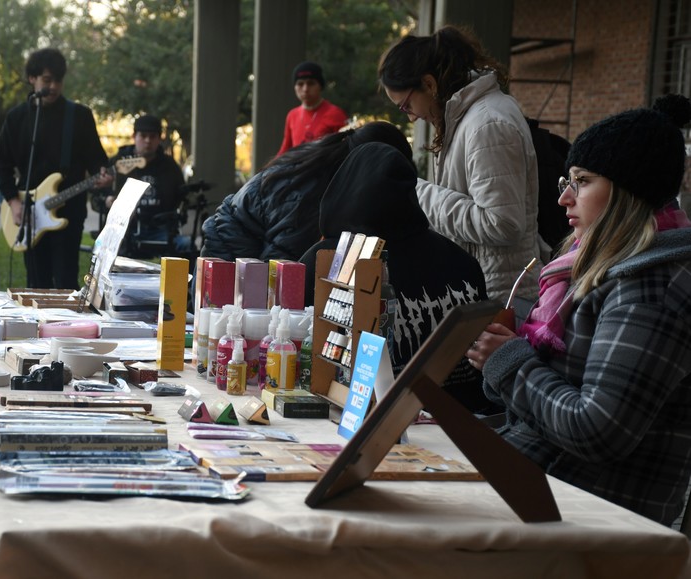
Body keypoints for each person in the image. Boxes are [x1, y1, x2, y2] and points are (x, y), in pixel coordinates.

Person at [466, 94, 691, 526]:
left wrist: (510, 365)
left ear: (629, 189)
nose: (564, 199)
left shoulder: (650, 287)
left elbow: (597, 429)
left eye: (583, 181)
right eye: (566, 182)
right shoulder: (595, 265)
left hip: (588, 522)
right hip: (546, 494)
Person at [300, 141, 492, 413]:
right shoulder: (461, 260)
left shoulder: (329, 260)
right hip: (463, 419)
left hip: (368, 416)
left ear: (344, 189)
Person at [379, 26, 543, 304]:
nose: (410, 118)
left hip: (501, 298)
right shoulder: (465, 118)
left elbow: (503, 223)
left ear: (429, 84)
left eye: (406, 106)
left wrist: (420, 194)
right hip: (485, 291)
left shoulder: (488, 124)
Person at [202, 121, 409, 263]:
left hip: (231, 247)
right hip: (228, 257)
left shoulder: (321, 166)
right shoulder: (311, 195)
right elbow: (280, 269)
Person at [0, 47, 112, 289]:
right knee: (35, 283)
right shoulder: (17, 118)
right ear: (32, 79)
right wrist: (14, 203)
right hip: (28, 213)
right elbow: (2, 164)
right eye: (47, 80)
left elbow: (97, 160)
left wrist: (103, 175)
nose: (54, 87)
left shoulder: (79, 116)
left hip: (70, 214)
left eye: (58, 81)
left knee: (66, 282)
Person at [104, 114, 185, 254]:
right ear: (134, 136)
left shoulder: (170, 166)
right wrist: (107, 200)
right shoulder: (117, 162)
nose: (148, 141)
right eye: (143, 135)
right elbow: (99, 191)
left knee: (185, 245)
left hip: (160, 229)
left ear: (159, 139)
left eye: (153, 136)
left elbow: (182, 196)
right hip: (125, 230)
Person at [277, 61, 348, 156]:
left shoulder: (335, 114)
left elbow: (345, 150)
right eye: (300, 84)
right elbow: (285, 150)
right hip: (298, 169)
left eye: (311, 83)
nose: (305, 89)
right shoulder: (292, 115)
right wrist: (267, 169)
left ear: (320, 86)